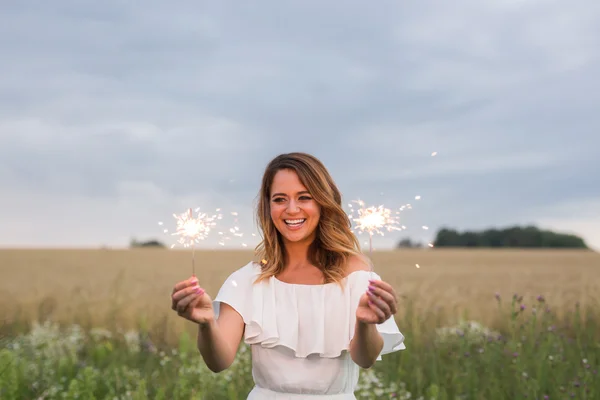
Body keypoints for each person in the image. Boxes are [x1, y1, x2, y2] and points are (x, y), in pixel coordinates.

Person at [171, 152, 405, 399]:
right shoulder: (249, 279)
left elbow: (365, 359)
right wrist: (207, 323)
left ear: (323, 202)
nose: (291, 209)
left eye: (304, 197)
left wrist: (365, 323)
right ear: (268, 206)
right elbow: (218, 362)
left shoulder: (357, 276)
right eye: (280, 199)